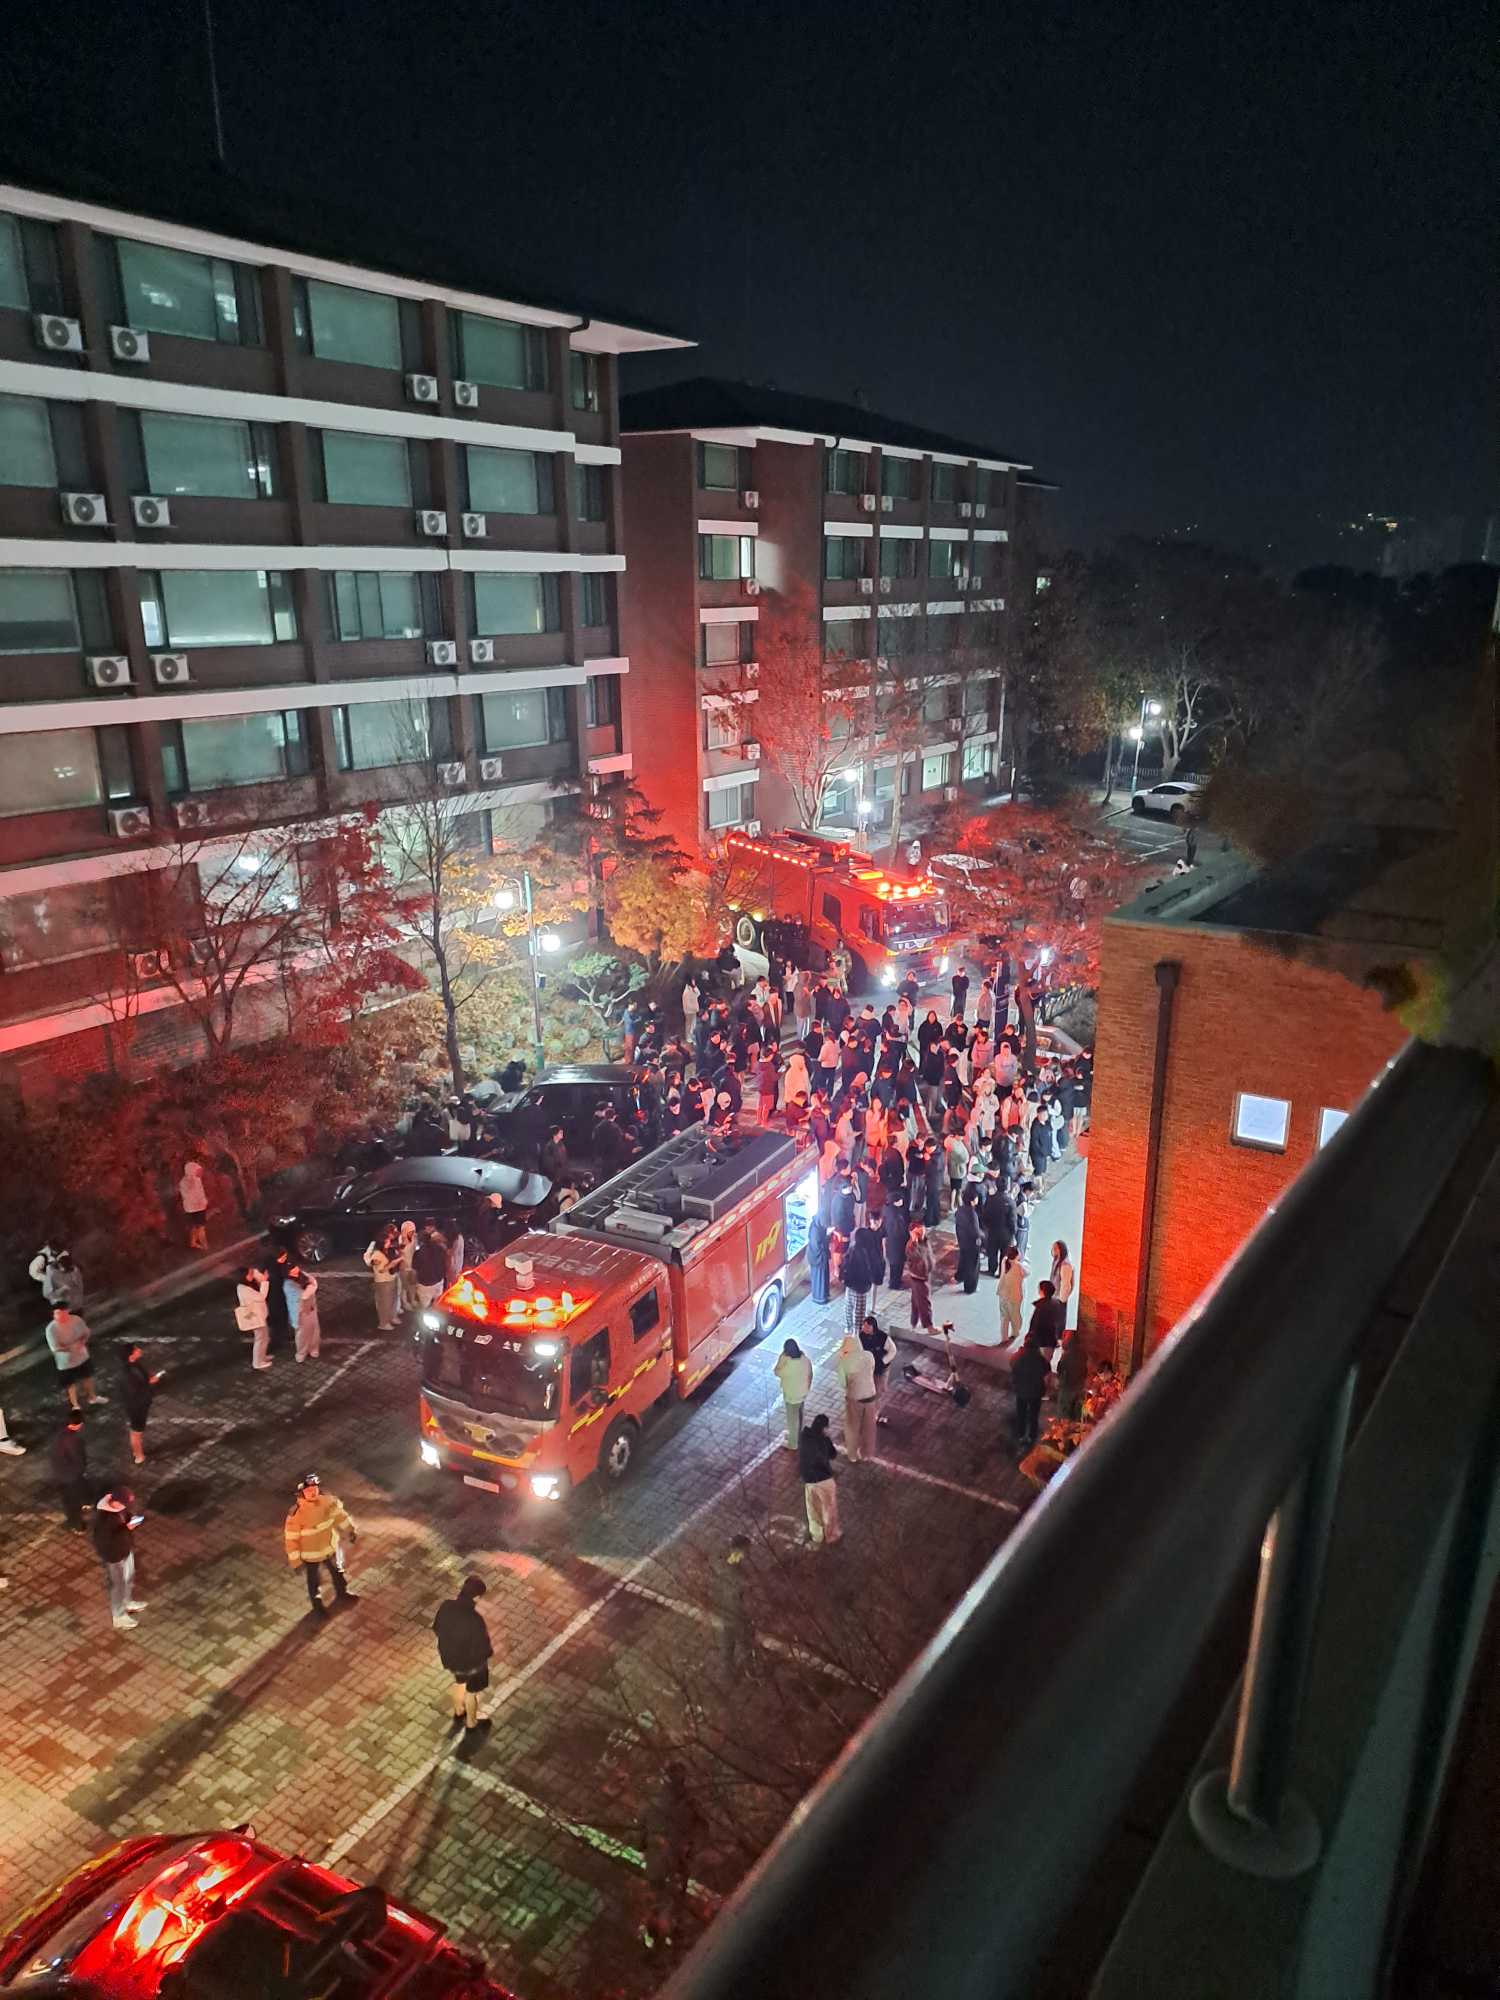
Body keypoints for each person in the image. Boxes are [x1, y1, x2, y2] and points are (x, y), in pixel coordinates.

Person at [640, 1761, 706, 1954]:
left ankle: (674, 1936)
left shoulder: (682, 1800)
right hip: (671, 1860)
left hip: (675, 1858)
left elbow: (699, 1825)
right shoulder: (662, 1803)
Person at [283, 1472, 357, 1615]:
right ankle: (318, 1608)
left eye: (314, 1489)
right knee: (314, 1581)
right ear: (301, 1493)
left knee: (338, 1573)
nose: (312, 1493)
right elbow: (291, 1540)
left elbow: (340, 1516)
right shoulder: (296, 1515)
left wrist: (350, 1530)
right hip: (311, 1556)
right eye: (308, 1490)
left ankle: (342, 1593)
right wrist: (296, 1562)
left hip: (329, 1548)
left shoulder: (328, 1502)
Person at [432, 1575, 493, 1738]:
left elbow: (436, 1628)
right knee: (472, 1692)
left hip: (450, 1658)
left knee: (459, 1681)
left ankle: (459, 1710)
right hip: (471, 1663)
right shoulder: (475, 1620)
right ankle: (471, 1723)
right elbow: (483, 1646)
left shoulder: (446, 1606)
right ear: (476, 1597)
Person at [95, 1487, 147, 1631]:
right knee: (118, 1585)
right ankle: (118, 1616)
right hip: (114, 1556)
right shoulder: (104, 1519)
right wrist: (127, 1528)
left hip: (125, 1549)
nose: (126, 1507)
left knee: (129, 1577)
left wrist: (132, 1521)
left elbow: (125, 1519)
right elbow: (106, 1541)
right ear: (116, 1502)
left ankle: (127, 1601)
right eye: (124, 1504)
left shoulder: (119, 1509)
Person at [46, 1304, 104, 1410]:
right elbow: (55, 1347)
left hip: (82, 1356)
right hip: (65, 1362)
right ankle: (75, 1405)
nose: (59, 1316)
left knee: (87, 1377)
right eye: (57, 1313)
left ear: (67, 1311)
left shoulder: (76, 1320)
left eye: (62, 1313)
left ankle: (92, 1397)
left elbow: (86, 1333)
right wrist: (71, 1348)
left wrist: (82, 1342)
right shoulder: (51, 1329)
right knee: (71, 1385)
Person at [798, 1412, 841, 1547]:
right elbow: (833, 1454)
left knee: (813, 1511)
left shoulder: (804, 1437)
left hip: (809, 1480)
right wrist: (827, 1439)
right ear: (824, 1428)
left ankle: (817, 1536)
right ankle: (832, 1535)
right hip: (824, 1480)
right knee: (829, 1510)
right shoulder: (824, 1440)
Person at [835, 1332, 878, 1463]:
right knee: (869, 1426)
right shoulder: (869, 1355)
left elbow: (842, 1383)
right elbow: (872, 1370)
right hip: (871, 1395)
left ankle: (852, 1455)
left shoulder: (844, 1362)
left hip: (855, 1398)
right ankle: (867, 1454)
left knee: (852, 1426)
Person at [119, 1342, 164, 1465]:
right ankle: (139, 1456)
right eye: (136, 1349)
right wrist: (150, 1384)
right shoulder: (128, 1374)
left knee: (137, 1431)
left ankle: (137, 1453)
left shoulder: (134, 1365)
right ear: (131, 1356)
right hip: (137, 1407)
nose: (139, 1349)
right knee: (136, 1432)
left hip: (140, 1403)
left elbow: (143, 1381)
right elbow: (136, 1392)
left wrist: (150, 1381)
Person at [719, 1534, 754, 1674]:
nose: (749, 1554)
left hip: (724, 1609)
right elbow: (745, 1583)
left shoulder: (725, 1563)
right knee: (745, 1642)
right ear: (739, 1550)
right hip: (737, 1612)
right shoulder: (735, 1571)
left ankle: (727, 1672)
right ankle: (750, 1670)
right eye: (747, 1550)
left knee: (727, 1643)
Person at [840, 1222, 881, 1336]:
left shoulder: (852, 1248)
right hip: (860, 1287)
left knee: (849, 1307)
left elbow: (844, 1265)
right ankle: (856, 1333)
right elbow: (870, 1269)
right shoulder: (865, 1253)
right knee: (858, 1311)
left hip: (850, 1285)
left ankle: (849, 1328)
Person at [50, 1410, 89, 1530]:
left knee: (70, 1499)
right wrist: (81, 1470)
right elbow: (79, 1459)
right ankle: (78, 1525)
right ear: (79, 1424)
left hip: (59, 1470)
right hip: (70, 1476)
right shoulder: (74, 1440)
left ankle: (84, 1504)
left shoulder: (60, 1433)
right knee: (71, 1502)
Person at [1010, 1335, 1049, 1452]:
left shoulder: (1019, 1358)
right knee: (1034, 1415)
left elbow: (1013, 1367)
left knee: (1021, 1414)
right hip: (1036, 1393)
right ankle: (1032, 1436)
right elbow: (1047, 1369)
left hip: (1021, 1392)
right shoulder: (1040, 1359)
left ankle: (1021, 1435)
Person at [859, 1313, 897, 1429]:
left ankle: (872, 1412)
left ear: (873, 1327)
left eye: (867, 1326)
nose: (864, 1328)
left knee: (880, 1390)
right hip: (868, 1369)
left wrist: (883, 1362)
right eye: (864, 1326)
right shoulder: (861, 1337)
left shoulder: (882, 1337)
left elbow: (893, 1350)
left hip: (881, 1370)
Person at [773, 1337, 812, 1449]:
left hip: (791, 1396)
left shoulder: (788, 1366)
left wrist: (781, 1358)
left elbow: (777, 1371)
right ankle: (798, 1435)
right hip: (803, 1392)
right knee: (799, 1414)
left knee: (792, 1420)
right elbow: (810, 1374)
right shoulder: (805, 1360)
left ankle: (793, 1443)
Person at [363, 1228, 400, 1331]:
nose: (389, 1242)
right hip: (383, 1281)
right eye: (387, 1241)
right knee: (385, 1303)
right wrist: (390, 1265)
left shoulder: (388, 1251)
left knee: (393, 1300)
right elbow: (379, 1269)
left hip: (391, 1278)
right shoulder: (377, 1254)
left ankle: (392, 1317)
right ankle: (384, 1323)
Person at [236, 1265, 272, 1370]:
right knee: (260, 1339)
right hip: (255, 1318)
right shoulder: (245, 1290)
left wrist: (257, 1274)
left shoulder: (245, 1285)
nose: (252, 1275)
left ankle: (262, 1357)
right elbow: (261, 1297)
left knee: (264, 1338)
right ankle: (257, 1362)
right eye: (250, 1274)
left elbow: (256, 1274)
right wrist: (265, 1282)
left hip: (259, 1315)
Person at [981, 1179, 1017, 1277]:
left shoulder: (990, 1199)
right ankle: (1002, 1272)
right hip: (1006, 1233)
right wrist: (1013, 1232)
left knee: (992, 1252)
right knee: (1004, 1254)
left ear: (996, 1186)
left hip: (993, 1231)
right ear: (1006, 1187)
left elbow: (985, 1215)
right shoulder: (1010, 1202)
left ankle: (991, 1270)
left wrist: (987, 1226)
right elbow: (1012, 1220)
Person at [905, 1223, 935, 1332]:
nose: (922, 1234)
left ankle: (914, 1322)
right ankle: (929, 1326)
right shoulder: (911, 1246)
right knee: (924, 1302)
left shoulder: (925, 1241)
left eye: (922, 1231)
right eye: (918, 1232)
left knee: (916, 1300)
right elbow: (916, 1258)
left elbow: (929, 1255)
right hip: (918, 1277)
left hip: (924, 1275)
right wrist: (915, 1242)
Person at [1028, 1279, 1067, 1363]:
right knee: (1046, 1362)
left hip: (1041, 1341)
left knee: (1041, 1363)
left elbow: (1036, 1324)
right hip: (1051, 1340)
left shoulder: (1041, 1306)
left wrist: (1030, 1336)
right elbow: (1061, 1321)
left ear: (1042, 1291)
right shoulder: (1057, 1304)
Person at [287, 1267, 321, 1362]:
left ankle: (313, 1349)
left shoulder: (304, 1276)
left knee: (314, 1329)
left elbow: (313, 1283)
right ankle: (301, 1353)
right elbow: (301, 1297)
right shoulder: (289, 1284)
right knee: (302, 1333)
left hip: (311, 1309)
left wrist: (310, 1288)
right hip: (300, 1312)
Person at [1055, 1328, 1090, 1422]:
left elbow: (1060, 1370)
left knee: (1064, 1416)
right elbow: (1085, 1369)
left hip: (1067, 1388)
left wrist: (1059, 1382)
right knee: (1076, 1414)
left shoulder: (1066, 1356)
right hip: (1079, 1387)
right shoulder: (1083, 1354)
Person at [411, 1226, 448, 1311]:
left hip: (425, 1284)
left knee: (424, 1307)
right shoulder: (440, 1249)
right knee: (437, 1304)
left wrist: (414, 1282)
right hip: (438, 1281)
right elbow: (444, 1264)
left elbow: (415, 1269)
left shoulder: (418, 1253)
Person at [954, 1185, 982, 1294]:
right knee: (973, 1265)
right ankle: (970, 1287)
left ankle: (960, 1276)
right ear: (972, 1201)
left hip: (962, 1241)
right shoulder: (972, 1214)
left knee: (963, 1259)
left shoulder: (960, 1210)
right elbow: (975, 1231)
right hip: (972, 1243)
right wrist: (983, 1236)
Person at [997, 1245, 1027, 1345]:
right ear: (1017, 1255)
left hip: (1003, 1293)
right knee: (1015, 1316)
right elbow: (1027, 1273)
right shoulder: (1019, 1266)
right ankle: (1015, 1332)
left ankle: (1004, 1337)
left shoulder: (1004, 1261)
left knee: (1004, 1316)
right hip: (1014, 1295)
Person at [178, 1161, 210, 1251]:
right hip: (192, 1208)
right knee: (199, 1227)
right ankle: (205, 1246)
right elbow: (188, 1196)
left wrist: (204, 1201)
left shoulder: (197, 1180)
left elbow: (201, 1193)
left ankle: (195, 1243)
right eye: (198, 1171)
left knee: (198, 1227)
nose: (200, 1173)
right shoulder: (184, 1182)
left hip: (200, 1207)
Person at [806, 1213, 831, 1306]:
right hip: (818, 1257)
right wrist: (828, 1235)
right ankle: (820, 1298)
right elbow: (817, 1246)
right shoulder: (815, 1230)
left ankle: (824, 1295)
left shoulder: (817, 1225)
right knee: (819, 1278)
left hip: (820, 1256)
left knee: (822, 1276)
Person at [1050, 1240, 1076, 1321]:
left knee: (1057, 1322)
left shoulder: (1065, 1264)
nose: (1053, 1250)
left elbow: (1066, 1285)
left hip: (1059, 1301)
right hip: (1054, 1299)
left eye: (1055, 1248)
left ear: (1061, 1249)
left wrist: (1061, 1301)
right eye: (1053, 1248)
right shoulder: (1056, 1261)